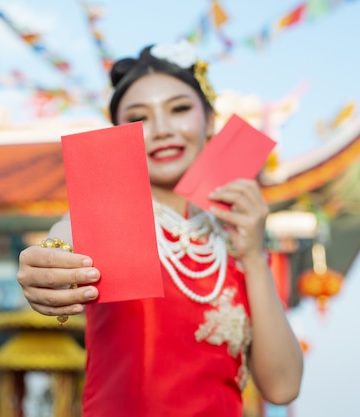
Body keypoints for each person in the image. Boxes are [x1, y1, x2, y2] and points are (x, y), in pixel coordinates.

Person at [16, 40, 303, 416]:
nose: (163, 129)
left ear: (210, 120)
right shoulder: (110, 220)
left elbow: (282, 387)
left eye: (180, 109)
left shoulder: (234, 239)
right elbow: (65, 239)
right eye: (140, 117)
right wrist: (50, 263)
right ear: (119, 133)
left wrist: (253, 254)